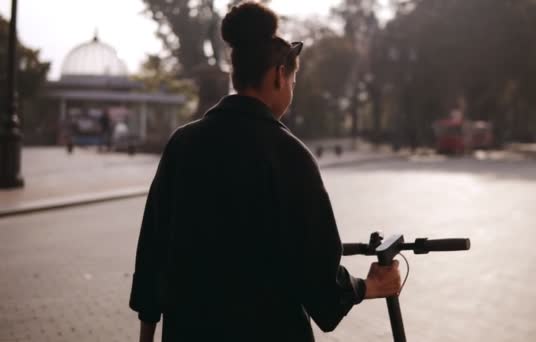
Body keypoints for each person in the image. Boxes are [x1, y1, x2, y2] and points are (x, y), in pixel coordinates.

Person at [129, 2, 401, 342]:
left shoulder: (182, 145)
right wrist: (370, 286)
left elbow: (153, 250)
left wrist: (146, 334)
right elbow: (318, 278)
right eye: (292, 79)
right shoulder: (288, 155)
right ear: (277, 75)